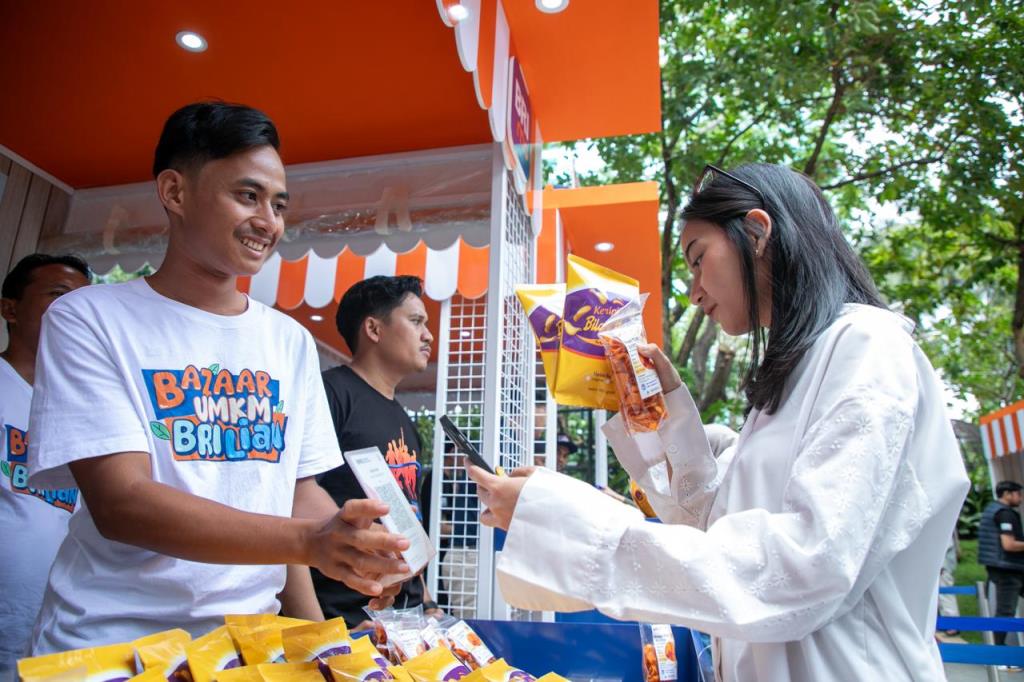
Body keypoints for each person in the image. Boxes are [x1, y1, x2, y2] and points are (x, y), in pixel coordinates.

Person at [469, 163, 970, 681]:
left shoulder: (866, 347)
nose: (694, 291)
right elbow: (719, 525)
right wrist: (654, 419)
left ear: (756, 232)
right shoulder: (798, 371)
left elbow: (802, 567)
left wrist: (567, 523)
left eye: (697, 258)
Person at [24, 102, 410, 654]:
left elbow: (298, 493)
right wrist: (312, 541)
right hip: (112, 647)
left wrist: (362, 543)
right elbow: (122, 503)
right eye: (247, 196)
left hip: (245, 651)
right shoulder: (88, 317)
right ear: (175, 193)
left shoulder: (289, 341)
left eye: (278, 204)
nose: (269, 222)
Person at [314, 276, 443, 628]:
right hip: (345, 619)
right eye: (416, 321)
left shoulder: (404, 418)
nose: (428, 335)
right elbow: (294, 504)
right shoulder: (330, 395)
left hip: (407, 617)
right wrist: (318, 630)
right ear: (373, 328)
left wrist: (427, 601)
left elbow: (406, 517)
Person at [0, 254, 90, 676]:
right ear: (10, 309)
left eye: (83, 300)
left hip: (61, 627)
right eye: (58, 295)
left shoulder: (88, 406)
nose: (72, 310)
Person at [979, 480, 1024, 648]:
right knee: (1005, 611)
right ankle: (998, 654)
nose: (1020, 498)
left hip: (1004, 567)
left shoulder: (991, 510)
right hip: (1008, 569)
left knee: (1004, 611)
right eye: (1018, 494)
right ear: (1007, 494)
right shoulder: (1005, 514)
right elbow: (1009, 544)